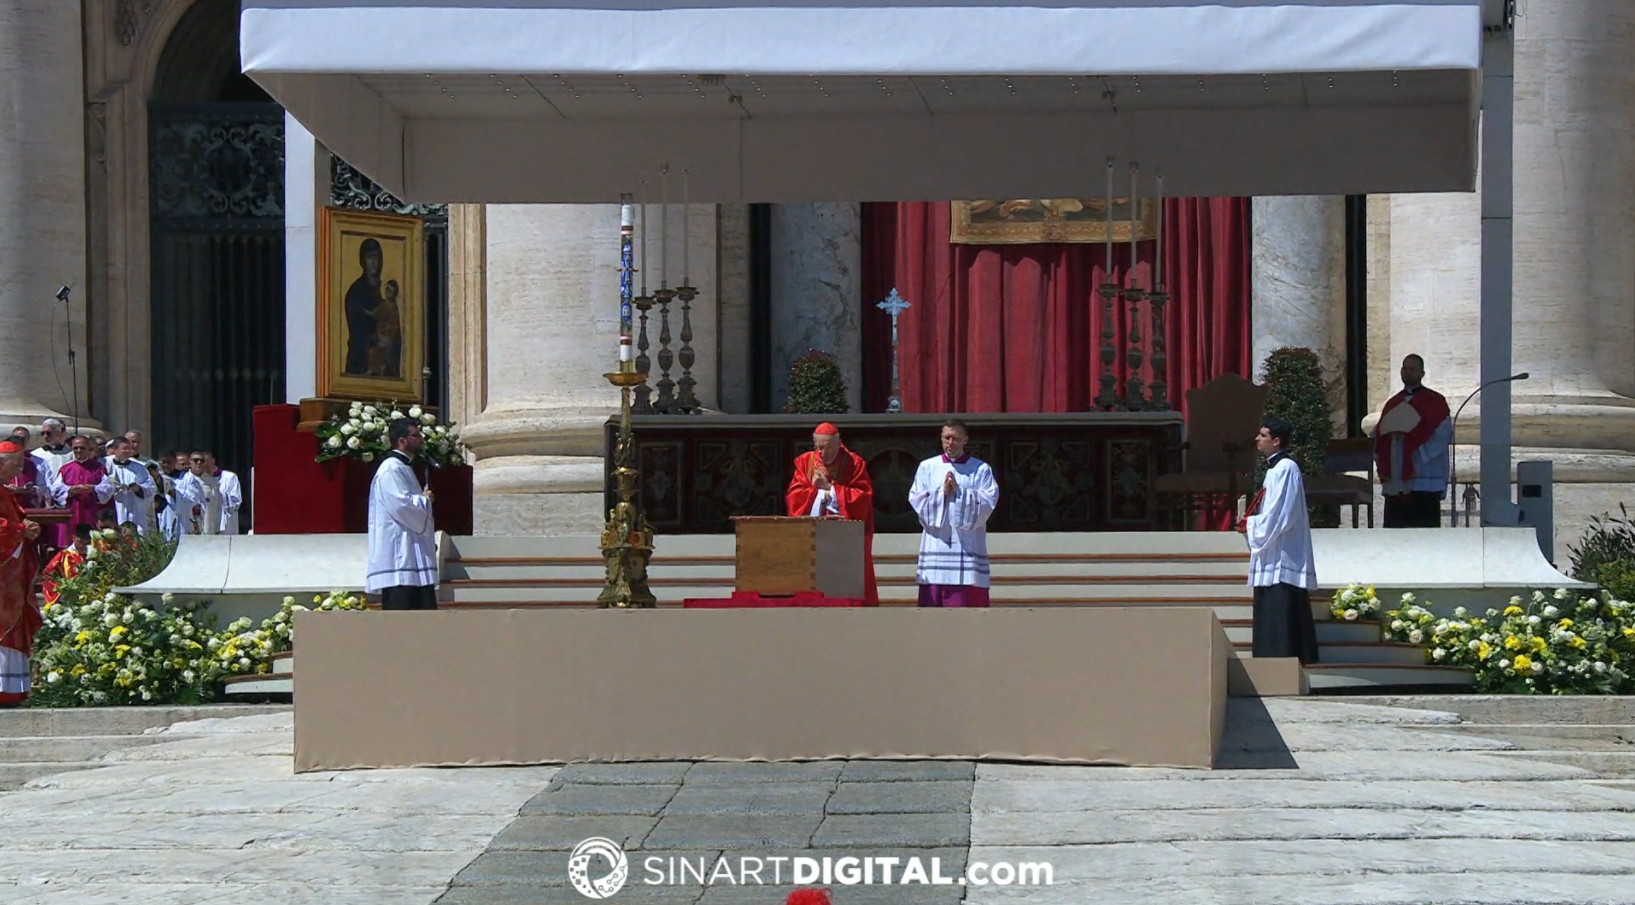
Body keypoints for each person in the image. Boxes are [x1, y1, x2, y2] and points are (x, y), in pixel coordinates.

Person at [1239, 417, 1319, 664]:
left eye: (1262, 435)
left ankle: (1284, 655)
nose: (1257, 439)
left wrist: (1251, 525)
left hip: (1282, 549)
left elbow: (1280, 513)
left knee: (1282, 602)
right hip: (1274, 546)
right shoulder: (1274, 469)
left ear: (1276, 441)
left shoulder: (1286, 469)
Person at [785, 422, 879, 606]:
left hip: (845, 537)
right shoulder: (805, 462)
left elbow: (863, 498)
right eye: (818, 447)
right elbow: (794, 496)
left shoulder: (854, 463)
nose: (821, 453)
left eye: (827, 447)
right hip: (814, 533)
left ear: (838, 444)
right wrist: (818, 494)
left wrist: (829, 489)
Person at [909, 419, 1000, 607]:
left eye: (955, 439)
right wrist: (941, 493)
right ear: (941, 439)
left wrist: (960, 492)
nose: (950, 443)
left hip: (967, 548)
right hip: (936, 547)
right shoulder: (927, 467)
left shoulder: (981, 469)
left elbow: (988, 502)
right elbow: (917, 500)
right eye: (946, 438)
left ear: (965, 440)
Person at [1373, 353, 1452, 528]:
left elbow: (1442, 433)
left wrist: (1418, 456)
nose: (1407, 372)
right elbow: (1379, 436)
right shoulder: (1393, 403)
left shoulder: (1435, 401)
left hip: (1423, 476)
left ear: (1422, 373)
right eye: (1404, 368)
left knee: (1424, 535)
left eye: (1412, 369)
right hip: (1397, 480)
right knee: (1396, 537)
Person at [367, 420, 439, 610]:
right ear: (402, 441)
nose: (422, 439)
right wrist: (425, 500)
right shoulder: (391, 468)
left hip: (411, 549)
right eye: (416, 435)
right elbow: (400, 505)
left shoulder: (402, 467)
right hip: (400, 554)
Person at [0, 441, 42, 707]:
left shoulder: (5, 491)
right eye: (14, 464)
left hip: (10, 576)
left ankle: (12, 689)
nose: (17, 471)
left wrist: (26, 528)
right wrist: (19, 532)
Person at [51, 436, 114, 542]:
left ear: (88, 449)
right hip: (72, 510)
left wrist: (94, 489)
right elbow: (55, 489)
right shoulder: (65, 469)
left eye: (82, 448)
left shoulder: (99, 468)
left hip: (91, 511)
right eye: (75, 448)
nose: (78, 451)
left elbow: (108, 488)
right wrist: (69, 490)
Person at [345, 238, 386, 375]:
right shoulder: (357, 291)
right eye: (370, 258)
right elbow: (357, 326)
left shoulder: (384, 287)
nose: (374, 263)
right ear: (363, 261)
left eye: (377, 257)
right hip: (361, 359)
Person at [105, 437, 157, 534]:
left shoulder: (139, 467)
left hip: (135, 511)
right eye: (124, 448)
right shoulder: (106, 465)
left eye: (129, 448)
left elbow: (151, 488)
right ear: (115, 450)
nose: (128, 451)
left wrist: (138, 488)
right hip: (116, 508)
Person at [41, 524, 91, 607]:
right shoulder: (63, 556)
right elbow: (48, 575)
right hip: (70, 597)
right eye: (81, 542)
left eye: (88, 543)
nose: (83, 546)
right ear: (74, 538)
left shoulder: (97, 554)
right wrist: (62, 590)